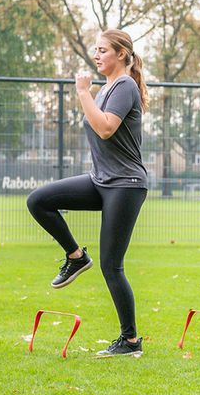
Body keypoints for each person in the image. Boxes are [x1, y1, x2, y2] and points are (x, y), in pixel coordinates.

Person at [27, 28, 149, 357]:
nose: (97, 56)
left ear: (122, 55)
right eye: (95, 50)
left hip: (126, 185)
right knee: (39, 201)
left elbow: (106, 128)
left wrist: (82, 93)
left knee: (112, 265)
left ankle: (131, 341)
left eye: (103, 50)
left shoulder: (124, 85)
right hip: (101, 180)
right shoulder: (109, 87)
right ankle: (76, 257)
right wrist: (89, 95)